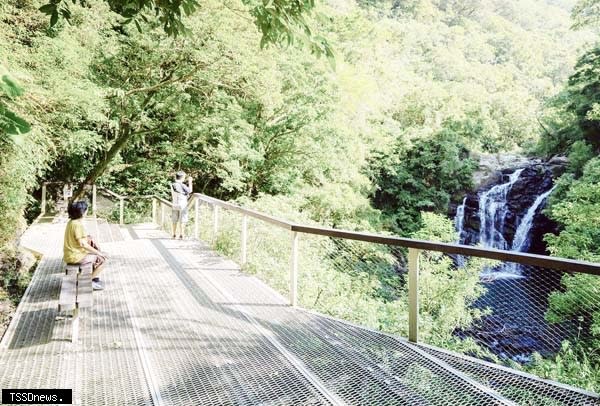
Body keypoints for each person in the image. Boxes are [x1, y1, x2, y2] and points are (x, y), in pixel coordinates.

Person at [63, 201, 108, 290]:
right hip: (75, 256)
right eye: (86, 210)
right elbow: (83, 244)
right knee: (103, 260)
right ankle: (86, 281)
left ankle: (93, 278)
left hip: (70, 254)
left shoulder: (71, 222)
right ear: (82, 212)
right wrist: (99, 253)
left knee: (96, 253)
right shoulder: (78, 225)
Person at [171, 171, 192, 239]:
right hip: (182, 205)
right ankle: (182, 234)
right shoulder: (182, 185)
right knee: (183, 219)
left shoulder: (172, 184)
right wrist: (190, 182)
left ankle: (174, 234)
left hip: (174, 204)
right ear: (182, 177)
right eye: (184, 177)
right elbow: (190, 190)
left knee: (174, 219)